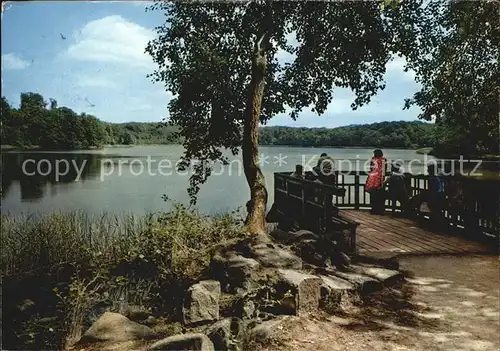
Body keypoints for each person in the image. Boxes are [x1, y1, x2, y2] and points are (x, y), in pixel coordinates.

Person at [365, 149, 387, 215]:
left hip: (373, 177)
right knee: (380, 194)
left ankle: (374, 209)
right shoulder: (384, 160)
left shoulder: (373, 159)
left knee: (373, 194)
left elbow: (371, 168)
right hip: (380, 177)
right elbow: (384, 169)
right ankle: (380, 209)